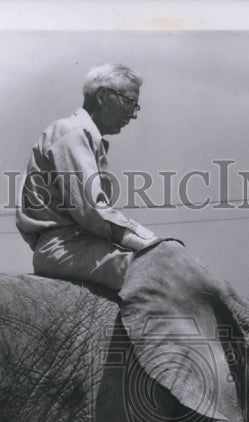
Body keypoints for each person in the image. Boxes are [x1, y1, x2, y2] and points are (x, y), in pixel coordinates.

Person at [16, 63, 163, 291]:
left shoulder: (83, 137)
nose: (133, 114)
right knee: (158, 274)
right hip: (66, 246)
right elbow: (94, 210)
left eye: (136, 107)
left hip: (75, 245)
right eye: (129, 102)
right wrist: (153, 244)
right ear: (103, 96)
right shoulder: (73, 133)